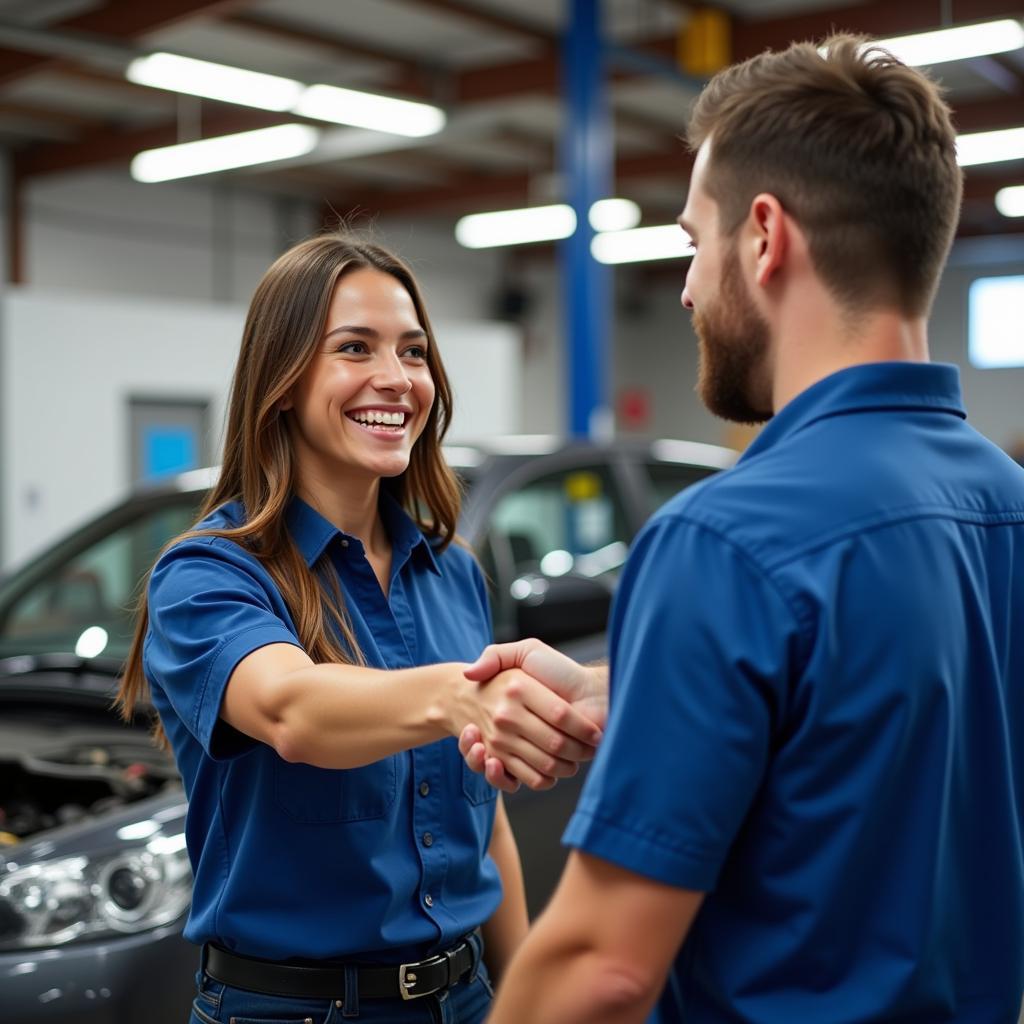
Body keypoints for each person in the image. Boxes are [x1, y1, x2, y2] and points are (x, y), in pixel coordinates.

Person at [461, 33, 1024, 1024]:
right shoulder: (1005, 506)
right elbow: (894, 713)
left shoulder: (724, 539)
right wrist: (624, 689)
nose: (683, 285)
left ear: (763, 237)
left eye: (691, 240)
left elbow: (603, 965)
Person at [116, 233, 604, 1024]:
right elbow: (293, 709)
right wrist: (461, 697)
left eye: (413, 352)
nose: (396, 378)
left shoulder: (452, 572)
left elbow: (488, 828)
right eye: (354, 348)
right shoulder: (208, 576)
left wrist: (519, 1002)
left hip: (466, 996)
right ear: (282, 382)